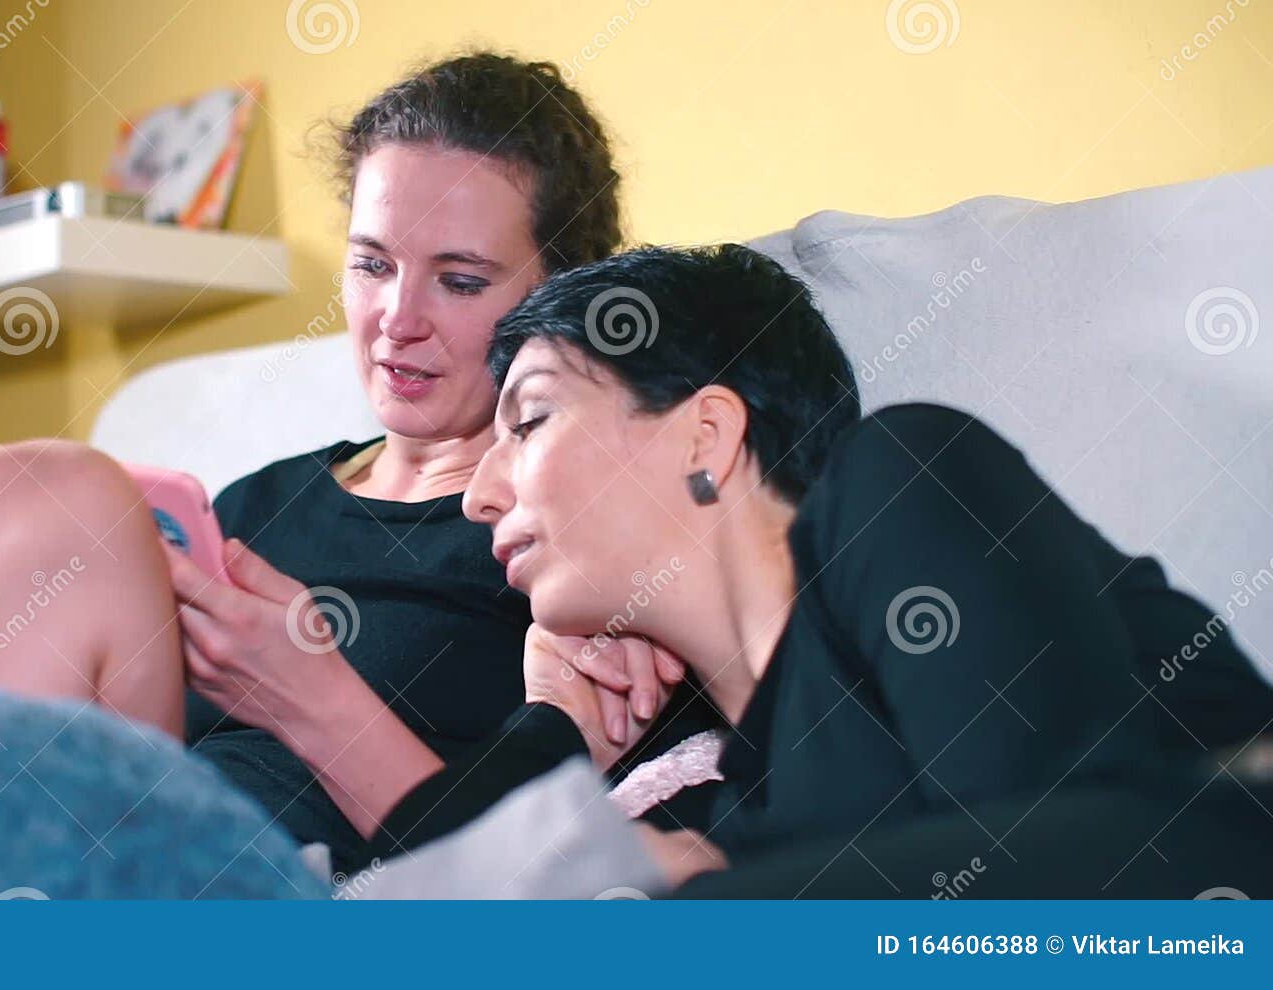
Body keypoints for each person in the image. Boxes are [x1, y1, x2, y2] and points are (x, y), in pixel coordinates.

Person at [0, 52, 717, 898]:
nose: (396, 320)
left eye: (461, 280)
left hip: (291, 885)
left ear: (563, 294)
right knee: (30, 502)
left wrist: (306, 689)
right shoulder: (248, 506)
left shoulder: (572, 539)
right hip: (111, 861)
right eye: (372, 264)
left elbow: (561, 856)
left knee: (48, 498)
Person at [368, 242, 1273, 895]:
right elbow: (441, 909)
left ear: (706, 436)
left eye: (527, 421)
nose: (477, 495)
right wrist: (551, 726)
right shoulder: (735, 806)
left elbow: (1085, 894)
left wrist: (685, 898)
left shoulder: (904, 481)